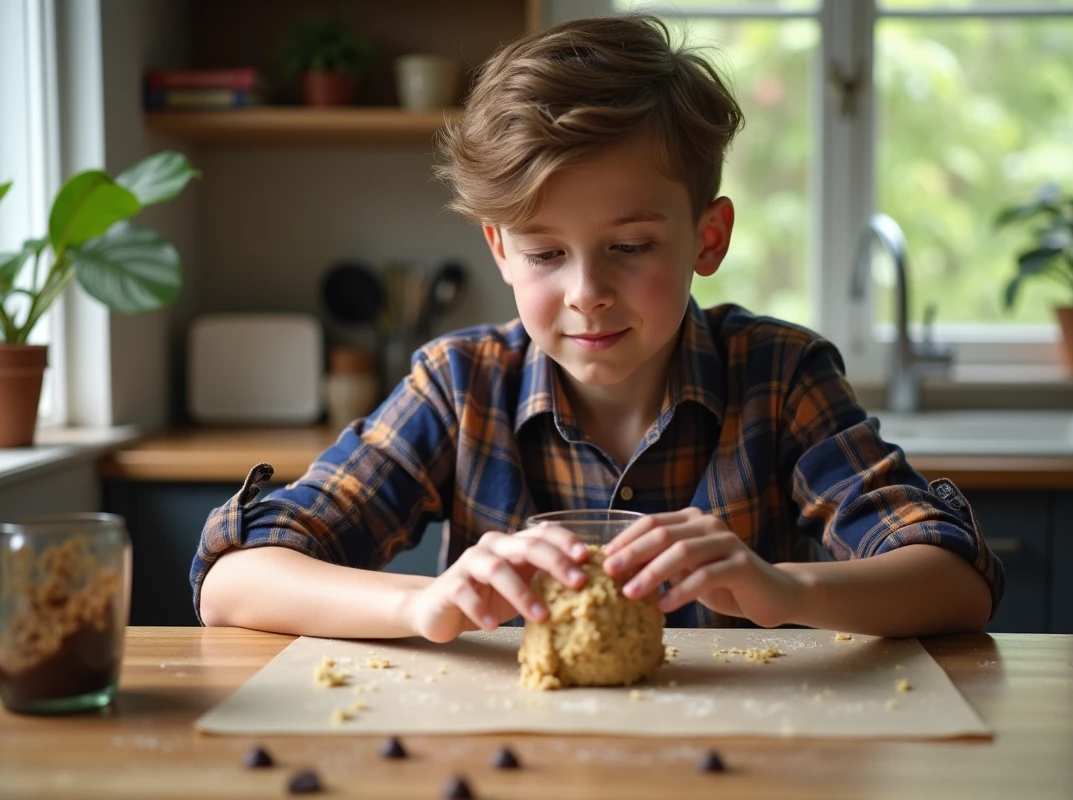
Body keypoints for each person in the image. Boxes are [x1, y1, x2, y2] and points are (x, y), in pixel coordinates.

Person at [193, 14, 1003, 643]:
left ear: (708, 238)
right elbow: (234, 581)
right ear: (500, 251)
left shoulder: (780, 374)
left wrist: (782, 589)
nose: (587, 293)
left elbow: (954, 580)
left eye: (629, 247)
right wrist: (429, 603)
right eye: (546, 253)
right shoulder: (460, 383)